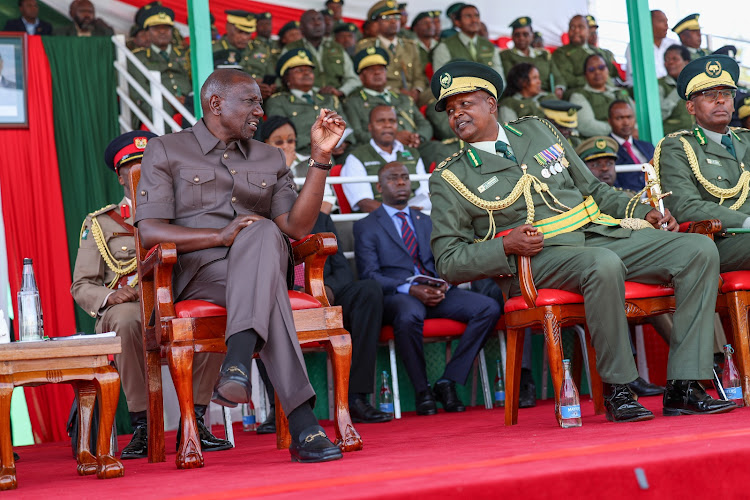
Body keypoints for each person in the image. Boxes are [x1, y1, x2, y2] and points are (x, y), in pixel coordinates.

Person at [427, 60, 736, 422]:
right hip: (538, 258)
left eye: (466, 104)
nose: (457, 114)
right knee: (602, 264)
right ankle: (619, 389)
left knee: (697, 249)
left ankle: (684, 384)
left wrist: (643, 209)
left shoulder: (538, 130)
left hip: (598, 233)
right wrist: (506, 247)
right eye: (450, 110)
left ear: (492, 105)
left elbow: (593, 189)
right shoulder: (449, 176)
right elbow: (448, 261)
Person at [135, 68, 347, 463]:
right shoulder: (166, 149)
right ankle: (304, 425)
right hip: (200, 272)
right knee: (270, 287)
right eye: (250, 101)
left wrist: (320, 159)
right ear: (216, 104)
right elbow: (149, 231)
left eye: (260, 103)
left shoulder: (269, 156)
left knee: (267, 232)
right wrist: (220, 236)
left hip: (263, 262)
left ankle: (237, 365)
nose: (260, 111)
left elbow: (297, 226)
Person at [71, 131, 232, 460]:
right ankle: (143, 423)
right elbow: (81, 285)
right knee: (130, 321)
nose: (141, 175)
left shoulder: (186, 217)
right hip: (126, 306)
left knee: (211, 311)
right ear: (120, 178)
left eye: (150, 166)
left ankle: (196, 417)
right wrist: (108, 297)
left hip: (175, 301)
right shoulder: (102, 223)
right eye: (132, 169)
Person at [354, 162, 501, 415]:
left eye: (404, 177)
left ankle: (448, 381)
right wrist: (408, 288)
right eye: (393, 179)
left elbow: (441, 262)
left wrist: (443, 283)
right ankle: (423, 391)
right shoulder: (366, 225)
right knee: (409, 314)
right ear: (379, 187)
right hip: (398, 295)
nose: (401, 182)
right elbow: (370, 275)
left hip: (436, 291)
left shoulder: (425, 220)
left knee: (487, 307)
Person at [658, 55, 750, 274]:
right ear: (691, 107)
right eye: (709, 95)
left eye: (726, 94)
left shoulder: (747, 140)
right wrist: (746, 222)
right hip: (719, 241)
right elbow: (684, 206)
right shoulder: (677, 147)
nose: (720, 101)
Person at [342, 104, 430, 212]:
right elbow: (364, 202)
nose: (387, 125)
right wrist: (400, 214)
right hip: (378, 223)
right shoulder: (356, 157)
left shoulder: (412, 153)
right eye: (381, 121)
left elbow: (424, 193)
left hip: (415, 218)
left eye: (392, 121)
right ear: (370, 127)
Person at [265, 49, 351, 157]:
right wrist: (319, 144)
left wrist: (344, 143)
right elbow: (281, 134)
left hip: (338, 153)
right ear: (286, 78)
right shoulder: (278, 101)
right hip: (303, 154)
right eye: (299, 70)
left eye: (309, 70)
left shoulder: (329, 99)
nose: (306, 73)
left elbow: (347, 127)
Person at [343, 47, 432, 150]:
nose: (377, 73)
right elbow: (357, 134)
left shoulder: (404, 99)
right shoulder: (354, 103)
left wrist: (417, 137)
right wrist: (392, 138)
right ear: (361, 77)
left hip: (414, 145)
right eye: (371, 70)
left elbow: (424, 124)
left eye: (381, 69)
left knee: (438, 150)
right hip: (380, 149)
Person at [256, 116, 337, 214]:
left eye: (290, 140)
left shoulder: (309, 162)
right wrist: (285, 167)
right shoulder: (257, 167)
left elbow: (327, 200)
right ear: (266, 143)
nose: (285, 146)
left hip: (311, 220)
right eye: (278, 142)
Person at [355, 0, 427, 105]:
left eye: (396, 17)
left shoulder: (410, 46)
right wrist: (398, 92)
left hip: (413, 95)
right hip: (384, 94)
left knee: (438, 96)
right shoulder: (367, 46)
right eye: (387, 18)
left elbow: (419, 77)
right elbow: (366, 79)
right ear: (377, 23)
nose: (393, 21)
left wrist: (416, 90)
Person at [131, 6, 192, 120]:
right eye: (156, 28)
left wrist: (188, 100)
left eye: (166, 27)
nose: (162, 31)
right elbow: (139, 92)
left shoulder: (185, 54)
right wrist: (169, 100)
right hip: (158, 105)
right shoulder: (138, 57)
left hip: (187, 102)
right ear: (147, 33)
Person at [284, 10, 360, 98]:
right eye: (312, 20)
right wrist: (317, 92)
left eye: (320, 19)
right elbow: (285, 80)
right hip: (304, 99)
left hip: (337, 99)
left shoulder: (336, 48)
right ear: (301, 27)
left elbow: (353, 78)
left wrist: (341, 91)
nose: (317, 23)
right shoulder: (291, 49)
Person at [212, 10, 276, 99]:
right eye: (240, 31)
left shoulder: (261, 49)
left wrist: (272, 87)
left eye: (248, 33)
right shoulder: (213, 50)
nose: (244, 37)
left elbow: (273, 76)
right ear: (228, 27)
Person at [569, 54, 632, 139]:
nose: (597, 72)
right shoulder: (578, 96)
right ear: (585, 75)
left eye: (601, 67)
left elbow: (637, 117)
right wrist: (622, 129)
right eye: (591, 69)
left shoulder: (619, 92)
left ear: (608, 70)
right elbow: (586, 126)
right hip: (600, 144)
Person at [551, 15, 618, 94]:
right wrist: (596, 78)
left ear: (588, 31)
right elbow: (568, 79)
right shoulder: (562, 52)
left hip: (612, 90)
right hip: (585, 93)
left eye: (581, 27)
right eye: (572, 27)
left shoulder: (597, 51)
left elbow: (614, 72)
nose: (576, 31)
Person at [500, 17, 564, 98]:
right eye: (517, 35)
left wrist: (558, 88)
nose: (521, 38)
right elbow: (512, 81)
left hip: (546, 95)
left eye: (525, 34)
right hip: (521, 97)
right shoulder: (506, 55)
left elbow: (557, 76)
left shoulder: (543, 55)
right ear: (512, 36)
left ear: (532, 36)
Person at [431, 4, 502, 76]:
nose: (474, 20)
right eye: (468, 16)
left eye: (476, 16)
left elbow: (499, 77)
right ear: (457, 22)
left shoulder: (489, 46)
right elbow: (441, 79)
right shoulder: (444, 46)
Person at [608, 100, 654, 192]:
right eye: (619, 118)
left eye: (629, 117)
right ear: (609, 121)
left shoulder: (648, 147)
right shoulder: (605, 150)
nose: (626, 122)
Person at [624, 10, 676, 86]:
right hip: (645, 89)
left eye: (666, 22)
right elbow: (638, 75)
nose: (666, 26)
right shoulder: (636, 46)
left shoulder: (673, 44)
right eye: (661, 21)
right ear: (648, 23)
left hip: (671, 87)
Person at [659, 44, 694, 135]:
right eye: (666, 60)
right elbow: (659, 115)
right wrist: (679, 88)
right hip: (673, 141)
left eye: (675, 59)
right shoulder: (660, 85)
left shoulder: (696, 84)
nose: (670, 62)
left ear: (686, 62)